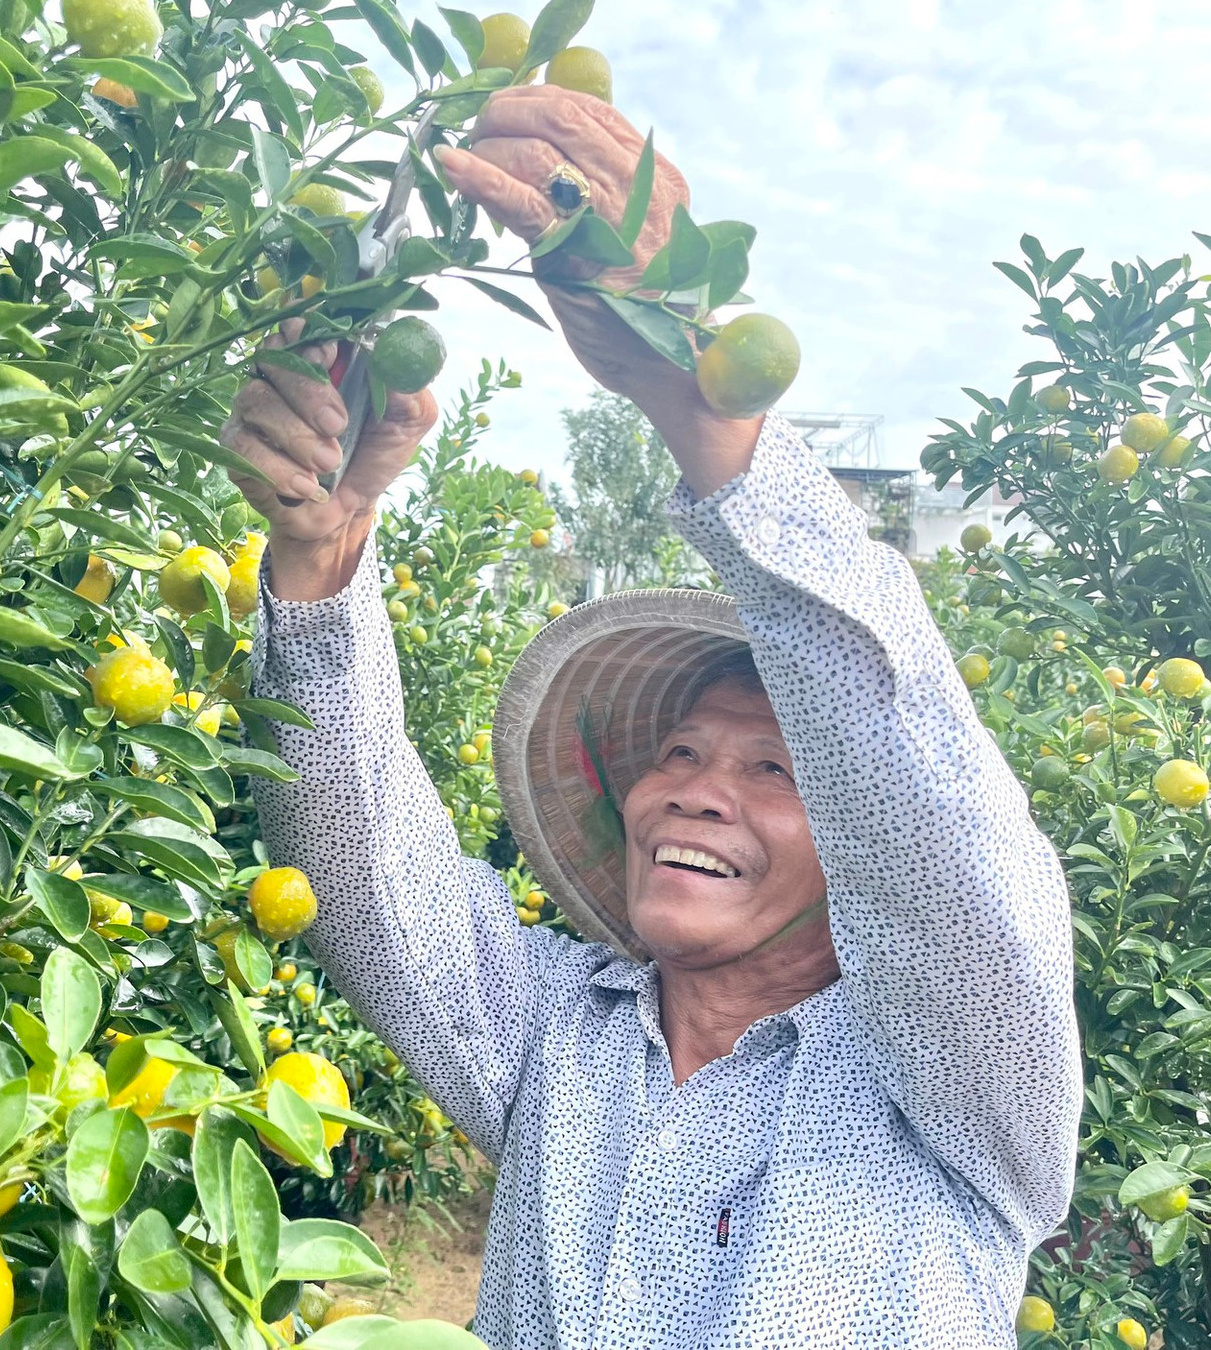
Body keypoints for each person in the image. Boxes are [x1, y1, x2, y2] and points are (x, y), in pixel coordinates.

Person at [222, 85, 1081, 1349]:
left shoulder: (955, 1088)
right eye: (680, 752)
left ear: (854, 840)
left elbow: (931, 812)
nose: (693, 787)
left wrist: (703, 410)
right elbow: (358, 879)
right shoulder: (558, 1036)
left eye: (776, 768)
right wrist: (322, 554)